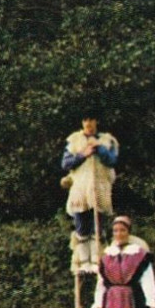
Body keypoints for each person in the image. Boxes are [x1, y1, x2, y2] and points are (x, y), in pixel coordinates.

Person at [61, 114, 119, 275]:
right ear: (82, 122)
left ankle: (96, 261)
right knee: (81, 226)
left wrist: (98, 148)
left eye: (92, 120)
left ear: (96, 121)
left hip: (99, 187)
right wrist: (83, 154)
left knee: (97, 226)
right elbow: (65, 163)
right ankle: (83, 262)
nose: (89, 124)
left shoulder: (108, 140)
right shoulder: (74, 141)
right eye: (85, 120)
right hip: (80, 188)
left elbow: (112, 160)